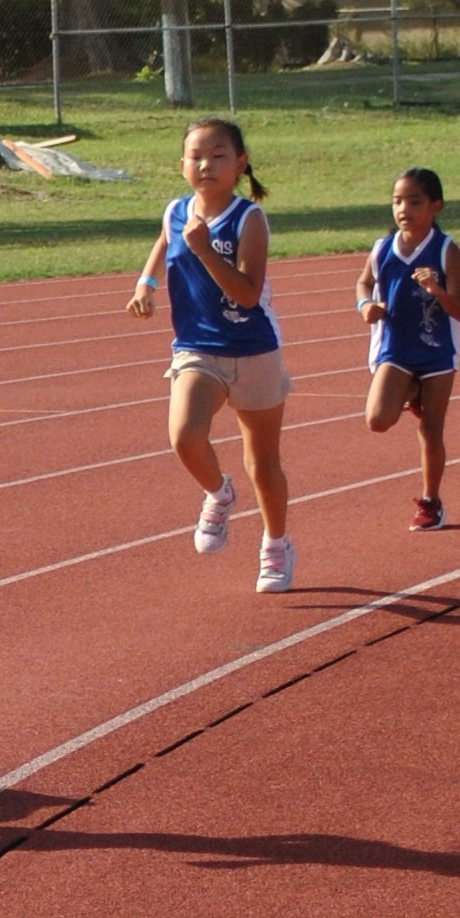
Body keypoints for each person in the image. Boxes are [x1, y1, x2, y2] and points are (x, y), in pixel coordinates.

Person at [126, 116, 297, 593]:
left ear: (240, 164)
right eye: (196, 156)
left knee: (263, 463)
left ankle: (276, 545)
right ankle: (218, 494)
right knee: (184, 435)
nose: (206, 164)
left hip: (254, 349)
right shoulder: (176, 212)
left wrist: (203, 251)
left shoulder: (250, 220)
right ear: (181, 164)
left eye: (219, 155)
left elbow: (247, 293)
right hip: (198, 348)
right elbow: (164, 242)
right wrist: (147, 282)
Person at [357, 166, 460, 530]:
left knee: (431, 431)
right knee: (377, 420)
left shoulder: (446, 250)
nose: (403, 208)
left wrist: (437, 290)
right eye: (397, 201)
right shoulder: (381, 249)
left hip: (437, 352)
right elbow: (364, 283)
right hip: (395, 347)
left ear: (435, 206)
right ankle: (411, 390)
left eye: (414, 201)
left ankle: (430, 501)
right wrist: (365, 305)